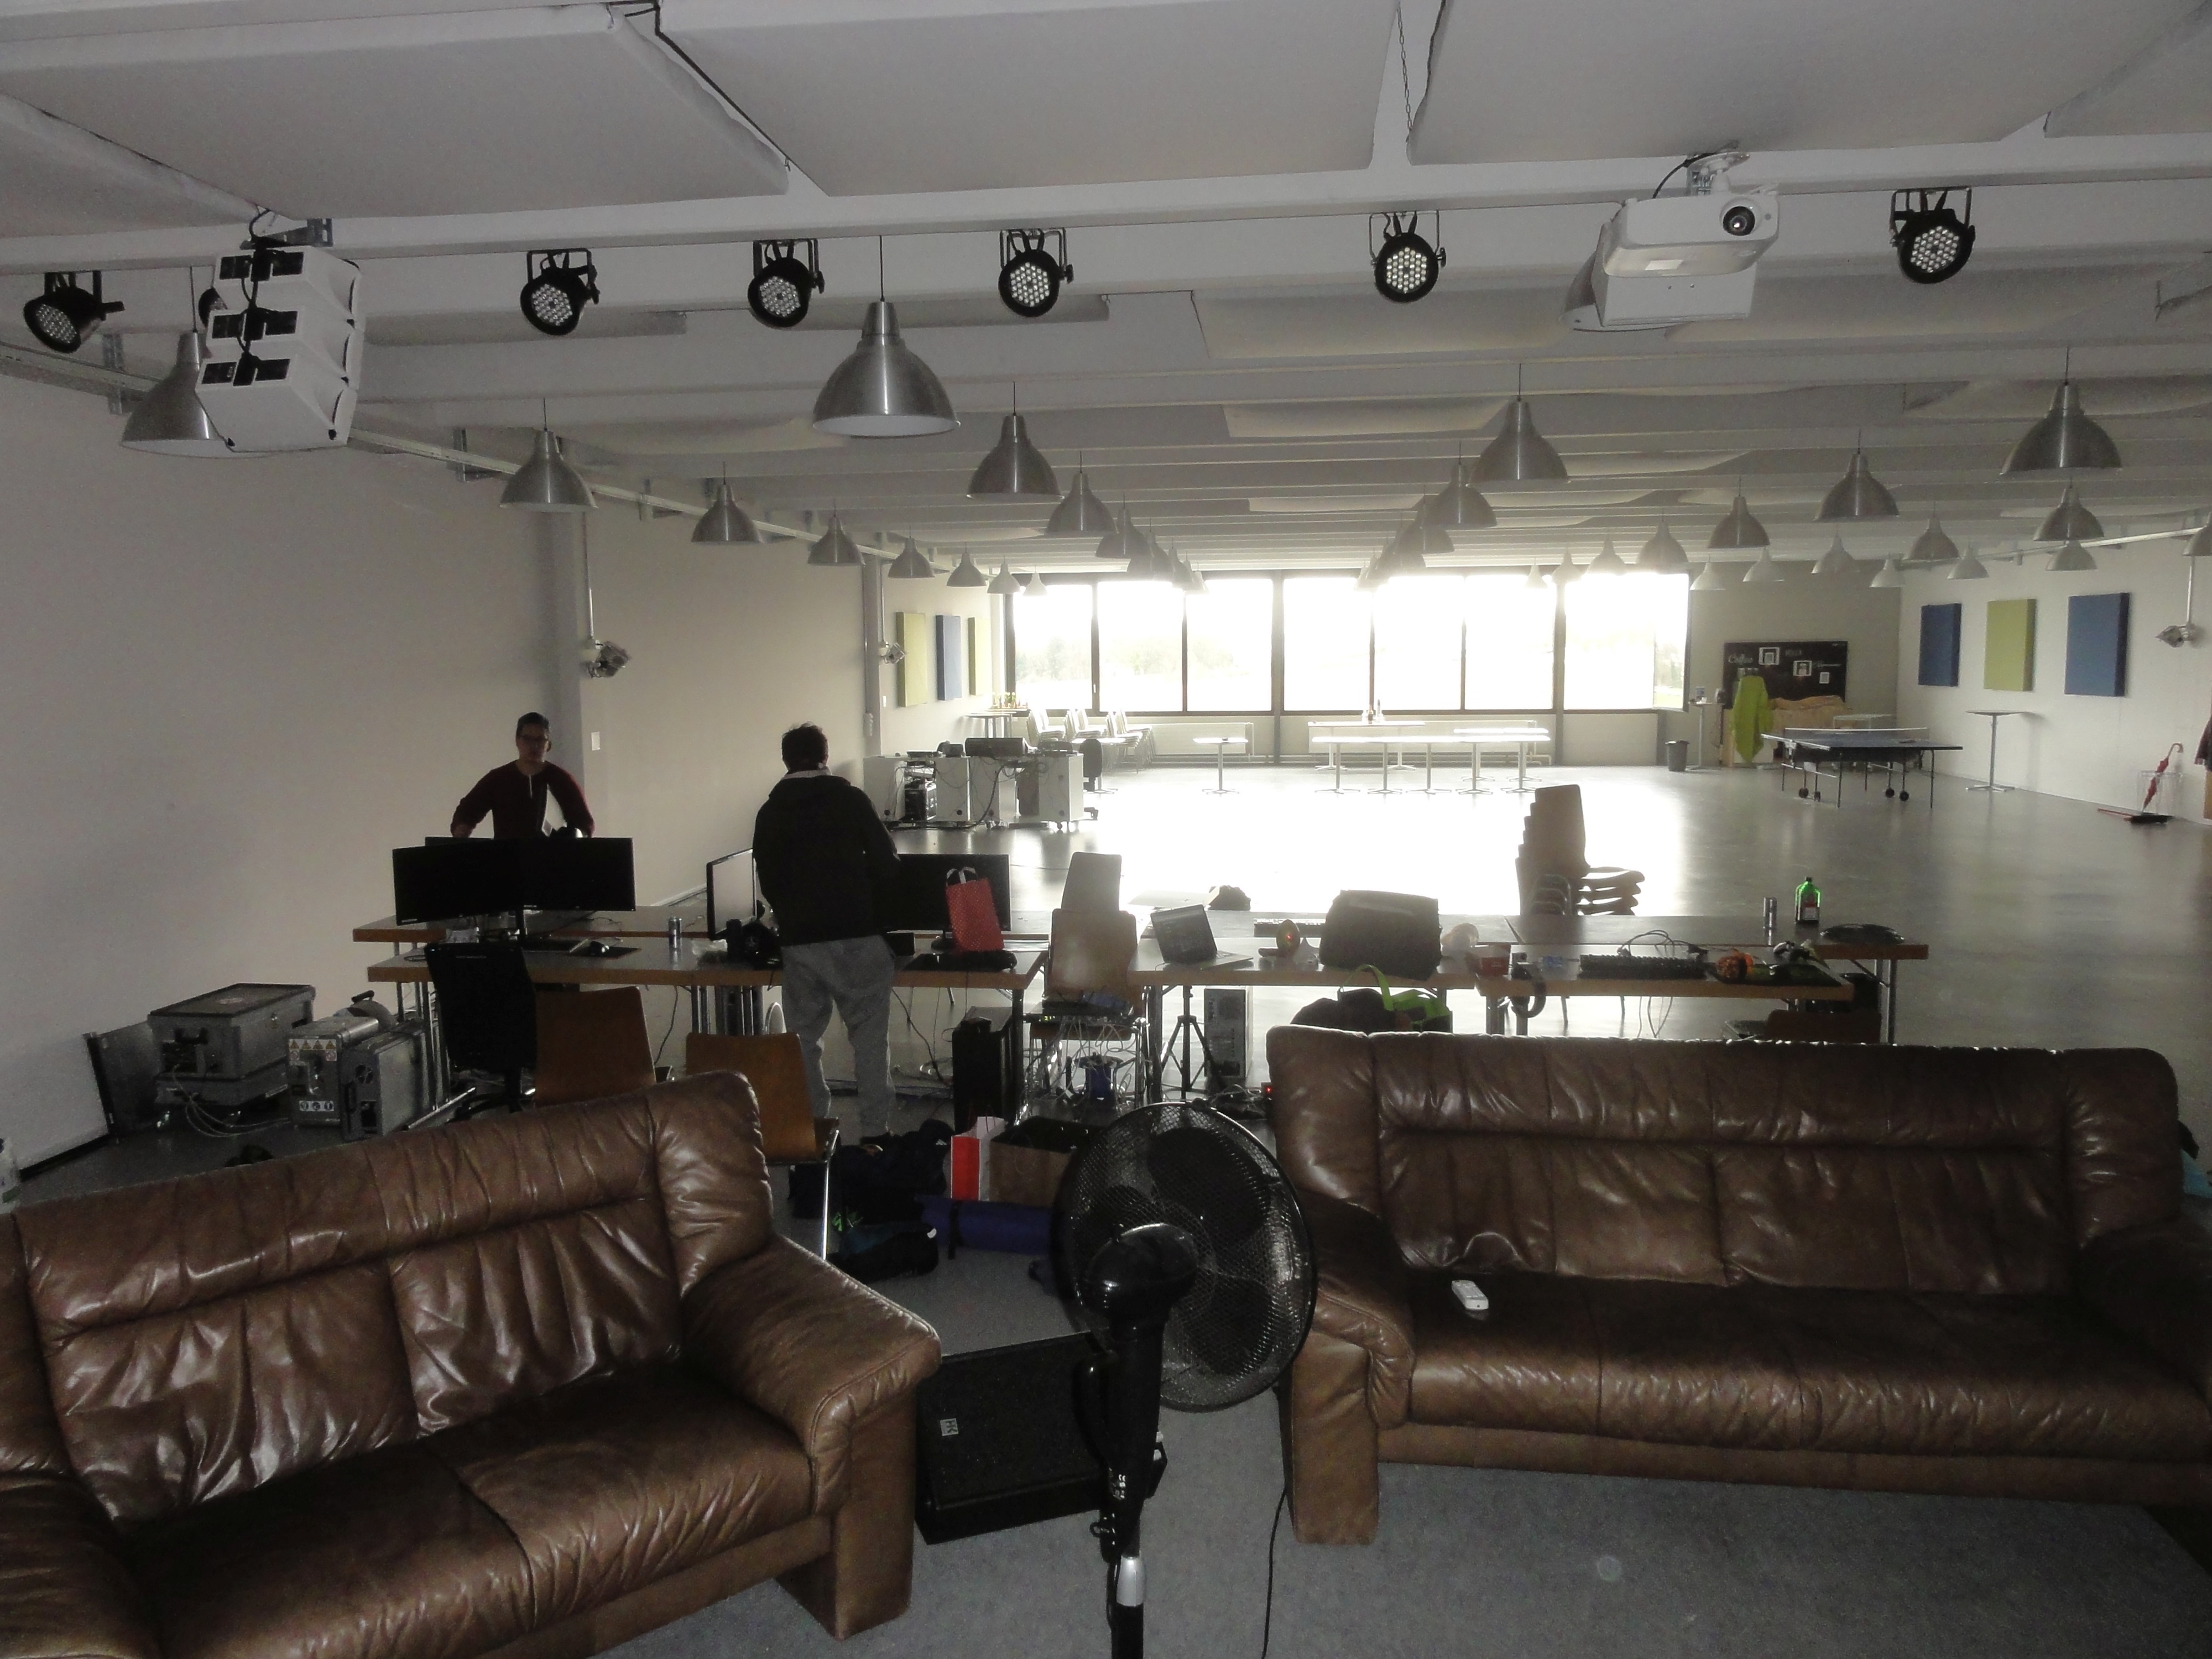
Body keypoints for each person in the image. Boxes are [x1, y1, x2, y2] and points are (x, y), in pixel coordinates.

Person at [752, 724, 902, 1136]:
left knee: (802, 1039)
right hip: (858, 935)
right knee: (869, 1039)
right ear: (825, 756)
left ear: (786, 760)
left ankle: (814, 1129)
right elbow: (887, 862)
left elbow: (768, 879)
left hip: (801, 942)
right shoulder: (851, 799)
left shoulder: (770, 812)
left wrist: (791, 914)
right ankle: (875, 1133)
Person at [451, 712, 594, 839]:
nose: (534, 746)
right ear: (517, 741)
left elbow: (585, 824)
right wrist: (462, 829)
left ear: (549, 745)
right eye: (527, 739)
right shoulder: (498, 778)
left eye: (540, 740)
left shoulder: (561, 779)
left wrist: (576, 836)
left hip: (550, 858)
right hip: (507, 857)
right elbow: (466, 812)